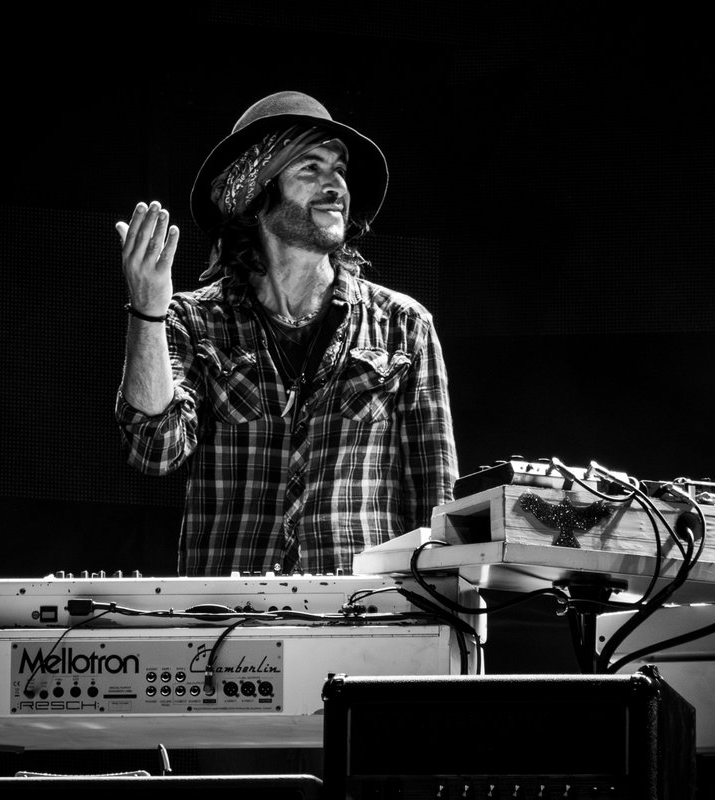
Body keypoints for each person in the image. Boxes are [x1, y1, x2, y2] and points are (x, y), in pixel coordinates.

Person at [114, 90, 458, 577]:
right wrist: (148, 312)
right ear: (256, 197)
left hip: (365, 623)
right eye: (310, 169)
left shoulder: (403, 325)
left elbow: (439, 507)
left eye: (339, 169)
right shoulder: (193, 321)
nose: (335, 184)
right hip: (230, 624)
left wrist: (448, 637)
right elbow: (155, 450)